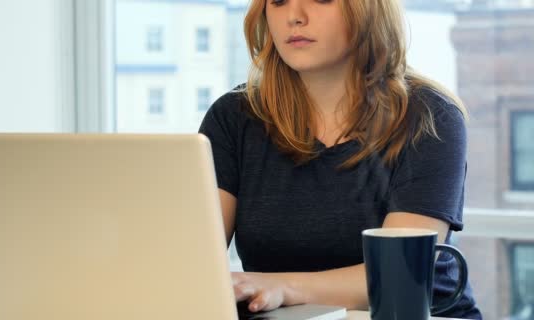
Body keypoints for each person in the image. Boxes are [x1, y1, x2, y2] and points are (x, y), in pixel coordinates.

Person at [198, 0, 482, 319]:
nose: (294, 16)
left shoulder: (430, 117)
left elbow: (395, 274)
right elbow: (194, 259)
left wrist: (283, 287)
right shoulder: (233, 118)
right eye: (278, 1)